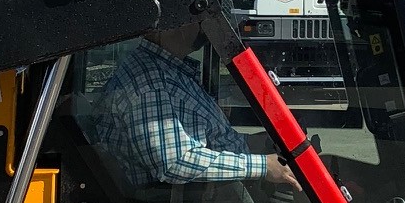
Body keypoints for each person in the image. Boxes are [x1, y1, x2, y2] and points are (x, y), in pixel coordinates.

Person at [93, 19, 297, 189]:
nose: (203, 27)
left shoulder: (167, 70)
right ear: (170, 24)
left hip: (208, 191)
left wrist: (262, 144)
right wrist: (264, 166)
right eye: (197, 19)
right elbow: (175, 163)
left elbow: (207, 138)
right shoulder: (149, 82)